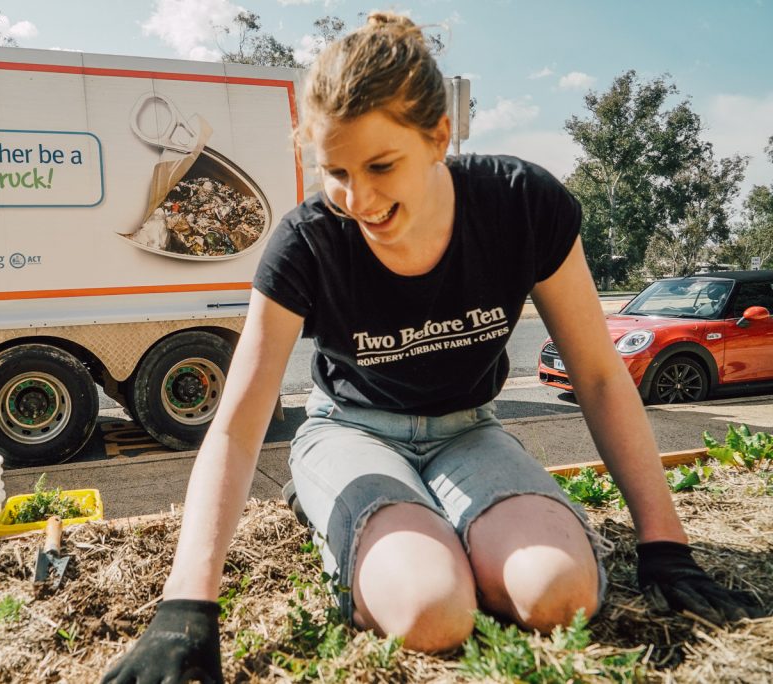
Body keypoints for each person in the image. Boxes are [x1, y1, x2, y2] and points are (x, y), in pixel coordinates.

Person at [103, 12, 760, 683]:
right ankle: (328, 497)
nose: (358, 199)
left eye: (381, 165)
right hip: (352, 432)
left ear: (438, 135)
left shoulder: (521, 205)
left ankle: (438, 513)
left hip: (467, 432)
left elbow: (596, 375)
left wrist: (666, 544)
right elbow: (240, 427)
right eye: (336, 171)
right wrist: (187, 607)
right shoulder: (307, 243)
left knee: (559, 595)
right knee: (431, 611)